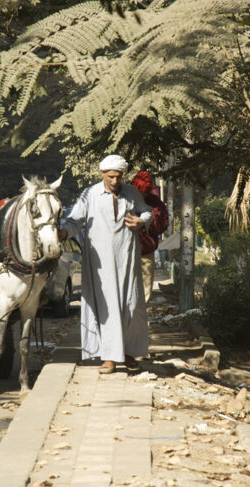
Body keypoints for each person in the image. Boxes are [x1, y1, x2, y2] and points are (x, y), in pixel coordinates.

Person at [58, 154, 153, 374]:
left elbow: (146, 211)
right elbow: (74, 221)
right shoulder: (89, 194)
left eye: (118, 176)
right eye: (110, 176)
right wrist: (63, 233)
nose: (115, 180)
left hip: (127, 258)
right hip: (100, 263)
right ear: (102, 173)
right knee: (107, 306)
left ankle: (128, 352)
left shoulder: (131, 192)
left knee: (131, 305)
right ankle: (109, 357)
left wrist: (141, 221)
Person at [130, 171, 169, 303]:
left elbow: (163, 224)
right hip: (124, 251)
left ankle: (141, 312)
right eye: (139, 192)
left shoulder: (155, 202)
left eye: (144, 193)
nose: (141, 195)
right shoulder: (122, 199)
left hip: (146, 252)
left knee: (145, 290)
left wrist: (145, 224)